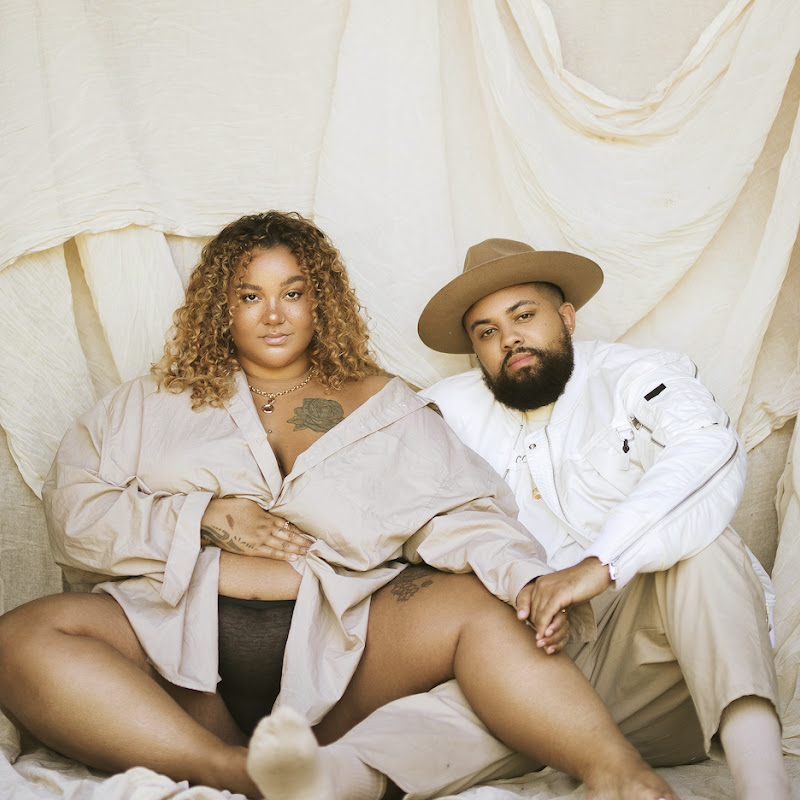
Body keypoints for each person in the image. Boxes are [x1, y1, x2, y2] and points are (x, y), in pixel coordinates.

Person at [0, 212, 679, 800]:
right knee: (20, 637)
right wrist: (204, 516)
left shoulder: (386, 405)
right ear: (220, 306)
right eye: (250, 295)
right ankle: (227, 769)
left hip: (348, 644)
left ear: (319, 302)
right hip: (173, 642)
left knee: (487, 609)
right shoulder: (147, 404)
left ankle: (617, 772)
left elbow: (461, 515)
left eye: (293, 293)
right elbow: (75, 514)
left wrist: (524, 579)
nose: (273, 314)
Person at [416, 236, 789, 800]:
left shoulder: (639, 374)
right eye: (486, 332)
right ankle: (317, 776)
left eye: (524, 316)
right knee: (408, 737)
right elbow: (373, 482)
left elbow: (708, 448)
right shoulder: (445, 411)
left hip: (660, 679)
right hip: (533, 672)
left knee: (703, 547)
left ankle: (765, 786)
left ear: (566, 317)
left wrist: (601, 565)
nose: (509, 338)